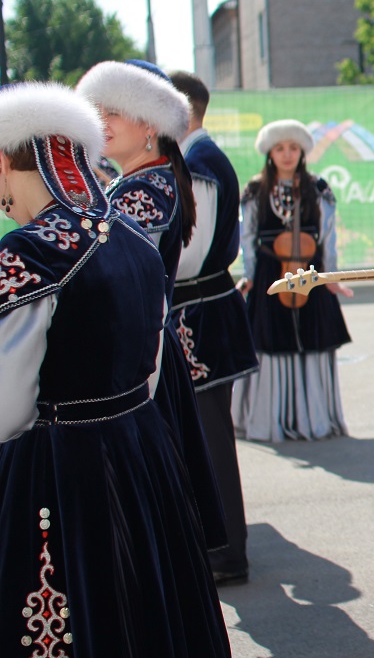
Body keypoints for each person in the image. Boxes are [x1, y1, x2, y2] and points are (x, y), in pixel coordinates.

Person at [0, 82, 231, 656]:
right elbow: (150, 370)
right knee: (147, 605)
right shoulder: (128, 237)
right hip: (140, 453)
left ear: (5, 161)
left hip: (58, 471)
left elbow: (7, 409)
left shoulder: (31, 253)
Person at [77, 58, 227, 550]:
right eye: (97, 109)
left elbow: (101, 274)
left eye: (114, 111)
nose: (102, 120)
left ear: (150, 127)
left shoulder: (145, 187)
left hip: (138, 362)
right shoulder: (145, 179)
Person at [170, 70, 259, 586]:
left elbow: (189, 255)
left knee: (210, 439)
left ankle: (226, 549)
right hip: (199, 313)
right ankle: (217, 542)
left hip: (201, 315)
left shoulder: (200, 164)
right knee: (202, 436)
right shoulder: (197, 160)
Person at [233, 120, 353, 442]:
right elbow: (247, 237)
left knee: (312, 341)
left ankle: (313, 419)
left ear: (302, 152)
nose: (287, 154)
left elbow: (328, 236)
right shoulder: (256, 190)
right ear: (270, 153)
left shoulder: (319, 189)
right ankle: (271, 419)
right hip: (270, 278)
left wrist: (331, 277)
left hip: (311, 278)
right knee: (271, 343)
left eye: (293, 148)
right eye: (280, 148)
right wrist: (249, 276)